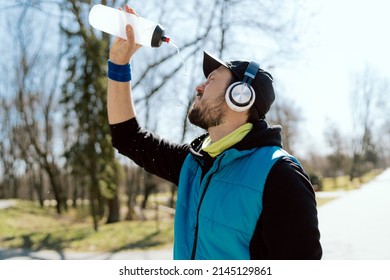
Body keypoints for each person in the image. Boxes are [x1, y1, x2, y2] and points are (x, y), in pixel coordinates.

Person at [107, 5, 322, 260]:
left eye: (211, 80)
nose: (199, 86)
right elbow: (128, 138)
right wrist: (118, 64)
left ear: (240, 97)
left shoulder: (280, 174)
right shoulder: (193, 164)